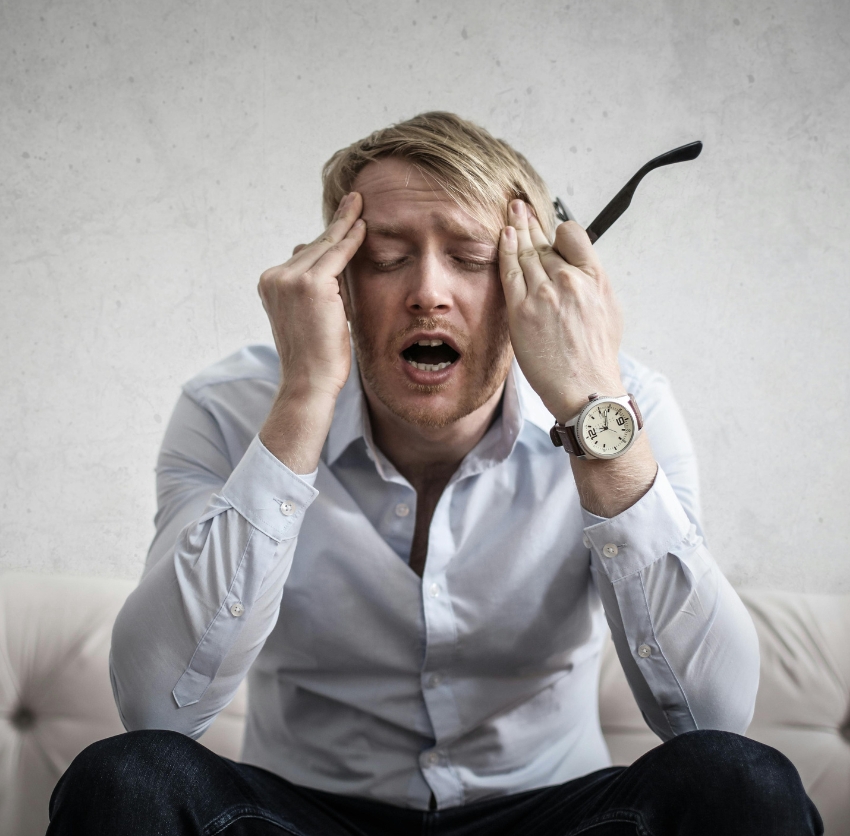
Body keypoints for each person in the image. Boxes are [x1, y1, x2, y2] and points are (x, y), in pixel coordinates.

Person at [48, 112, 822, 835]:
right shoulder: (228, 409)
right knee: (127, 779)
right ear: (338, 283)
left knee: (740, 780)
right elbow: (157, 709)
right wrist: (303, 399)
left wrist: (594, 412)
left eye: (473, 258)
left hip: (550, 816)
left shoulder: (627, 408)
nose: (426, 291)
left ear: (534, 284)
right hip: (305, 816)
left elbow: (713, 718)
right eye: (385, 259)